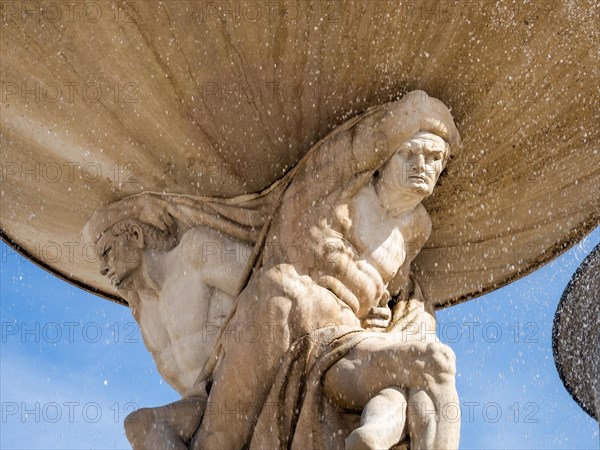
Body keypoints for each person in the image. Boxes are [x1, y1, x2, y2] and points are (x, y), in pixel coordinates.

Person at [192, 90, 462, 449]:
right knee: (221, 437)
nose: (422, 166)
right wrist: (409, 115)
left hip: (346, 341)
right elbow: (354, 148)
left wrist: (385, 319)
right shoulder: (337, 190)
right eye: (409, 153)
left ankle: (373, 437)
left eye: (433, 158)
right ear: (385, 156)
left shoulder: (416, 229)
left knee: (435, 364)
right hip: (283, 314)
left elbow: (395, 296)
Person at [84, 213, 253, 449]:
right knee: (141, 425)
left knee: (143, 423)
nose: (102, 268)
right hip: (201, 402)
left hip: (240, 375)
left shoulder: (193, 251)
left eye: (106, 251)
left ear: (135, 234)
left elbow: (261, 283)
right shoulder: (142, 307)